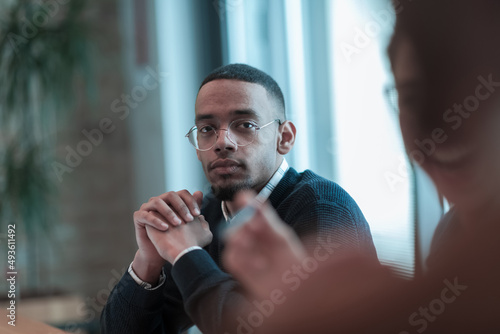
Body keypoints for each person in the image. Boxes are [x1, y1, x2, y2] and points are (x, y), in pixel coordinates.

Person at [223, 1, 500, 333]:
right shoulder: (452, 233)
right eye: (414, 99)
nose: (443, 131)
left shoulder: (320, 205)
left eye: (478, 94)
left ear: (285, 137)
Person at [100, 63, 377, 334]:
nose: (222, 142)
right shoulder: (205, 214)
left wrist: (186, 254)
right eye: (207, 129)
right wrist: (148, 262)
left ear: (285, 138)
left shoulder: (323, 209)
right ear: (197, 148)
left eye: (244, 124)